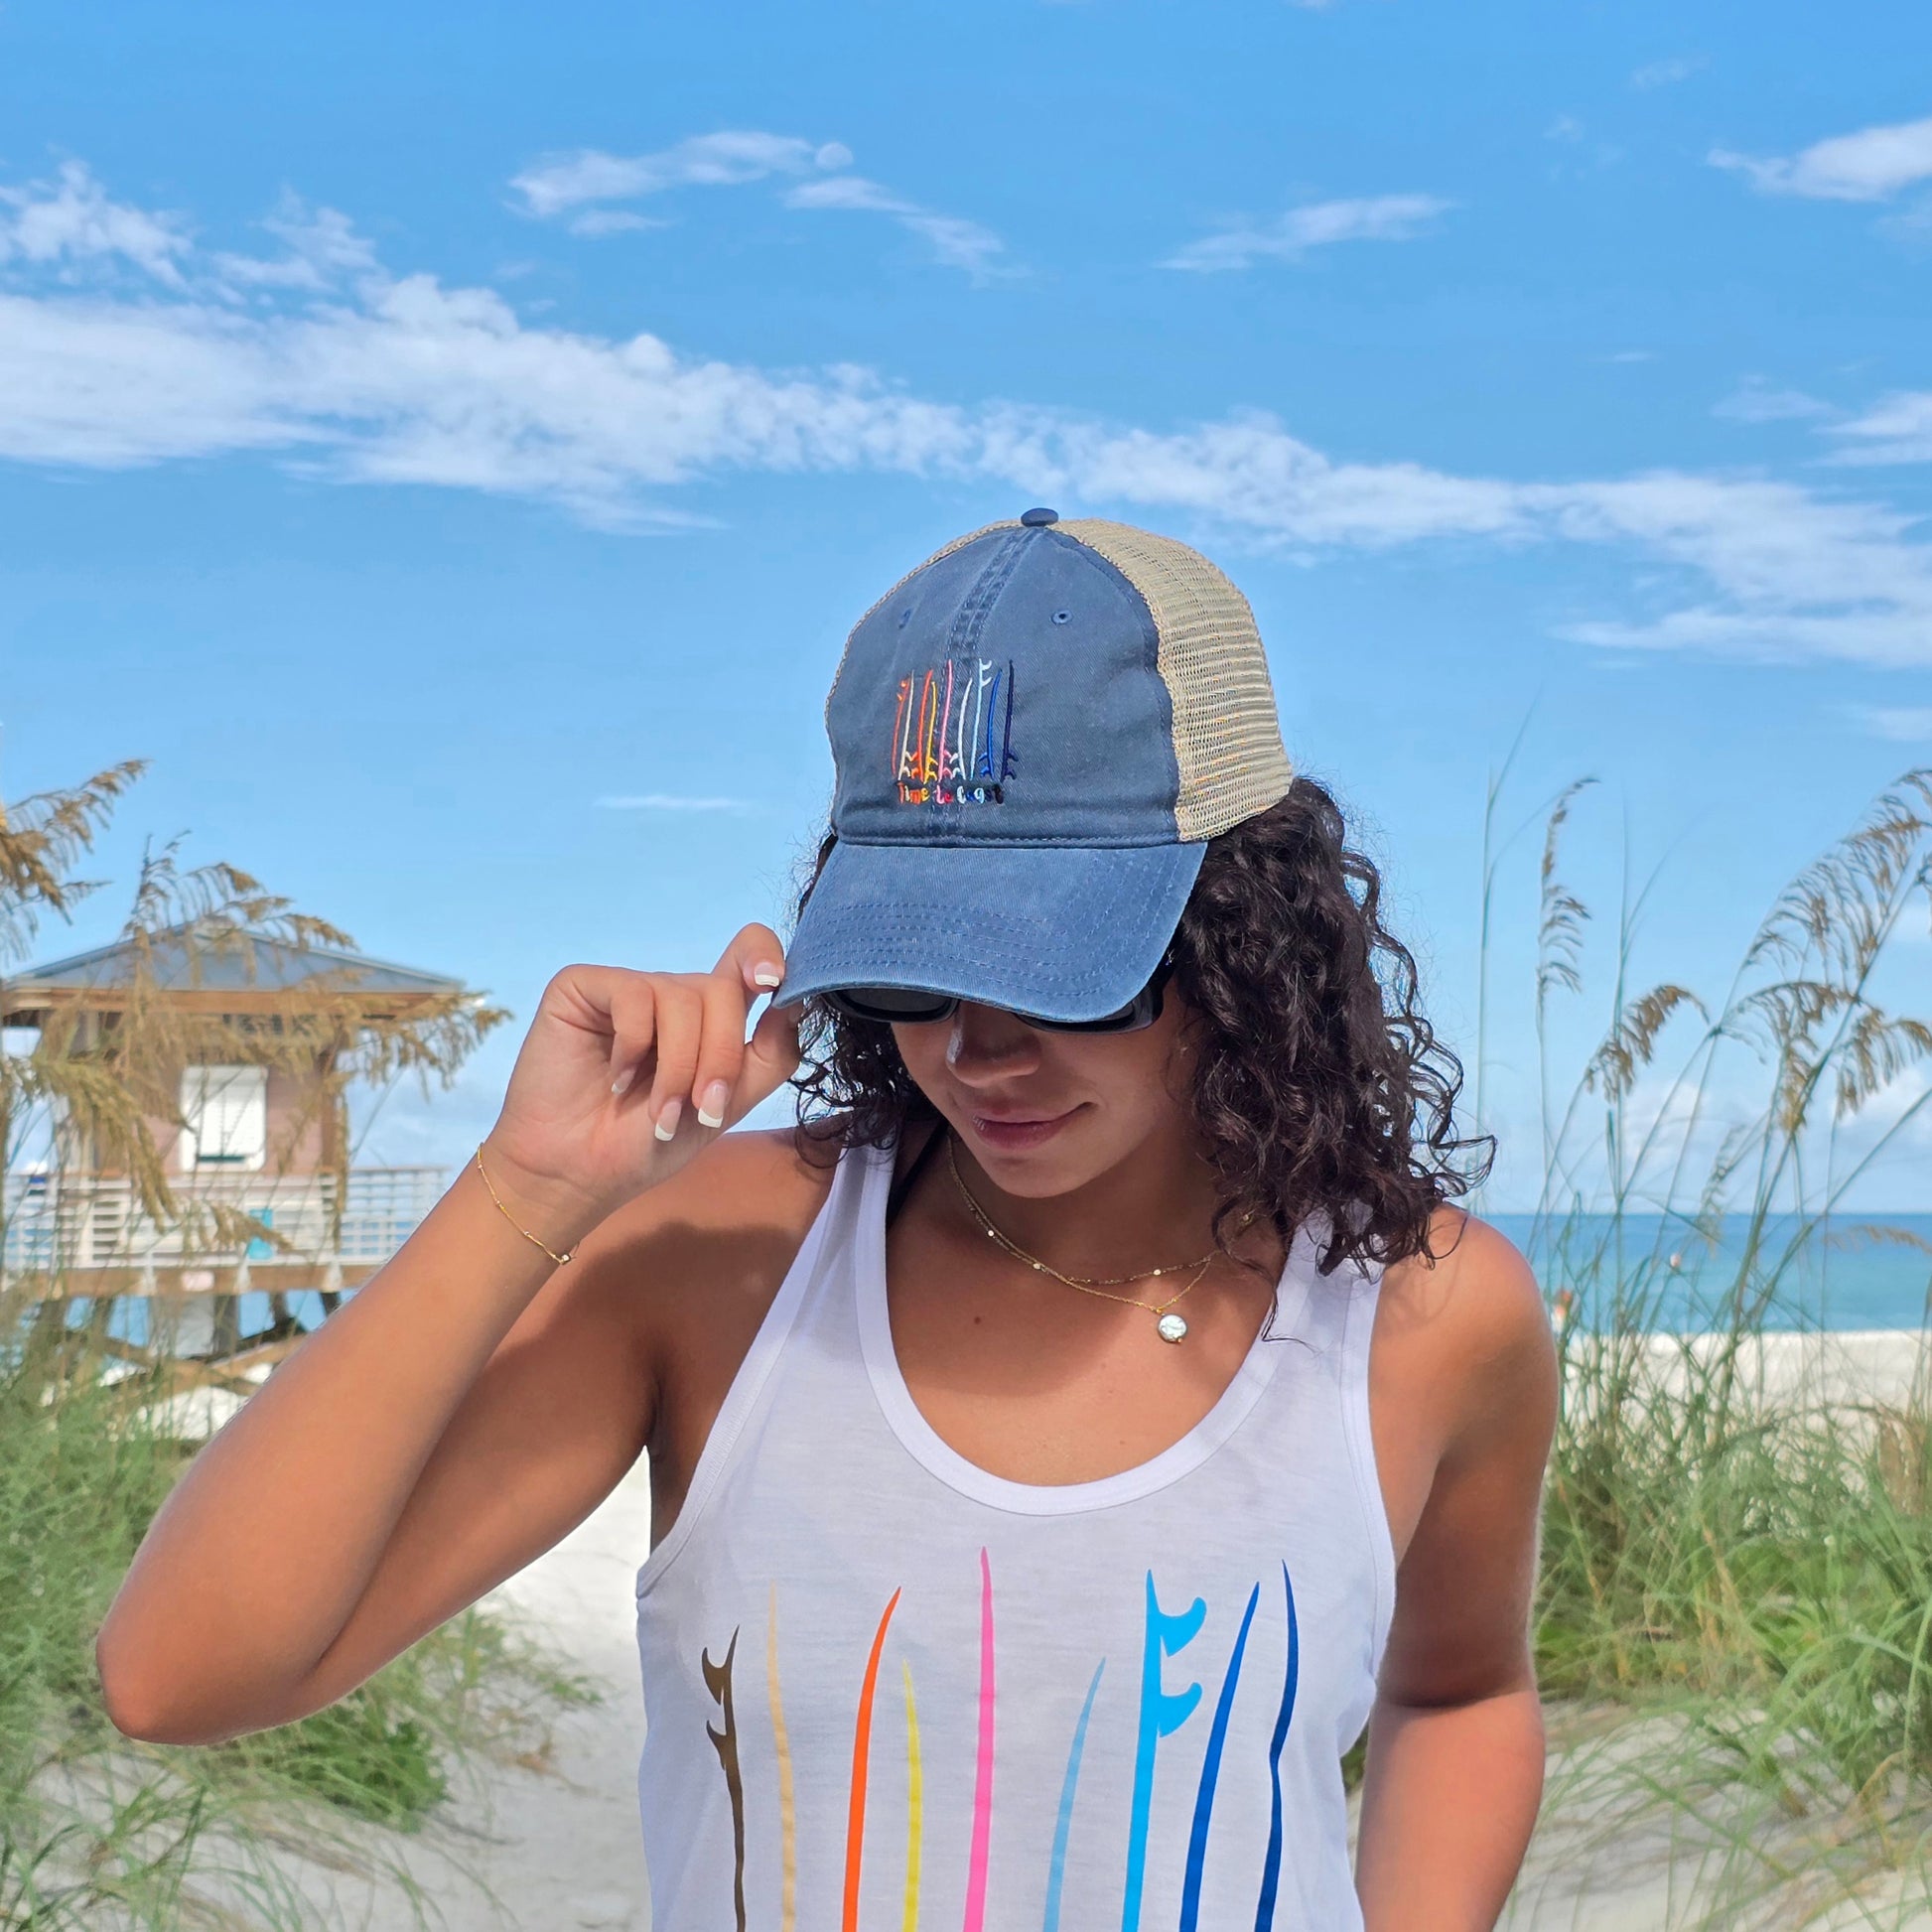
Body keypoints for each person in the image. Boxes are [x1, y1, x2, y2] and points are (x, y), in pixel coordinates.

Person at [98, 509, 1557, 1931]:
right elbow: (181, 1673)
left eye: (1063, 972)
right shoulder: (723, 1264)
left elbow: (1457, 1691)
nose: (978, 1051)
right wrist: (529, 1191)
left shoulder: (1424, 1314)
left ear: (1246, 931)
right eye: (915, 973)